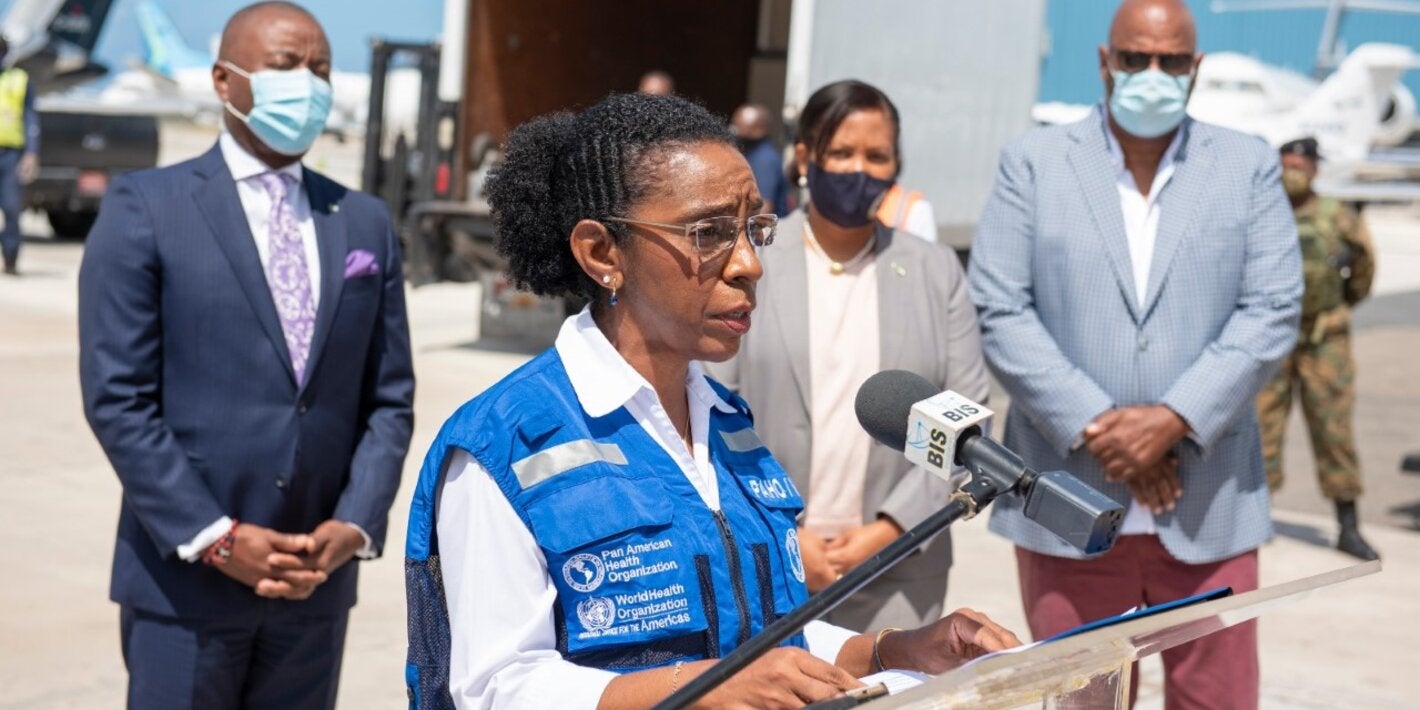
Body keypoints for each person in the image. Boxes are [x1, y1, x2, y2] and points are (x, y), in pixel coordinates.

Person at [403, 92, 1019, 709]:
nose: (749, 264)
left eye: (755, 230)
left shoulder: (730, 428)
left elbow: (772, 641)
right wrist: (706, 690)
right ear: (602, 253)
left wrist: (894, 651)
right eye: (710, 234)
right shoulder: (501, 443)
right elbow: (498, 688)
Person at [966, 1, 1302, 708]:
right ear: (1104, 62)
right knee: (1083, 699)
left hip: (1209, 503)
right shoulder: (1034, 163)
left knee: (1218, 698)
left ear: (1196, 67)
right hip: (1071, 495)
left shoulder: (1247, 167)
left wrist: (1174, 419)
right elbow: (1000, 308)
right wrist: (1103, 426)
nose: (1153, 74)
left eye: (1171, 61)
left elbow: (1272, 308)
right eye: (1135, 59)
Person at [78, 3, 414, 708]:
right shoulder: (146, 207)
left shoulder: (363, 221)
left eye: (320, 68)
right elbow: (118, 397)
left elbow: (388, 398)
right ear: (225, 82)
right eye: (287, 66)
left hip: (314, 583)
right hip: (186, 581)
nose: (311, 84)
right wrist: (215, 538)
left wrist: (353, 525)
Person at [709, 79, 989, 633]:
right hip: (766, 557)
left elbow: (968, 415)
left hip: (901, 568)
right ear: (806, 158)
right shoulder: (749, 259)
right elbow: (710, 406)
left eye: (876, 155)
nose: (858, 168)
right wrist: (786, 533)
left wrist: (888, 531)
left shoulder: (935, 270)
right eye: (841, 152)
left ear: (896, 164)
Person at [1256, 136, 1379, 561]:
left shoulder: (1336, 216)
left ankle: (1348, 524)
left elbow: (1363, 268)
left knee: (1334, 431)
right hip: (1271, 337)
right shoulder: (1262, 212)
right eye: (1287, 165)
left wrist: (1337, 309)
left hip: (1324, 340)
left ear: (1313, 169)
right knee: (1260, 430)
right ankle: (1255, 519)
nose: (1294, 174)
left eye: (1301, 166)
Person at [0, 36, 39, 275]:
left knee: (12, 208)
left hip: (11, 154)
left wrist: (31, 153)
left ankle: (11, 258)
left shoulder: (19, 80)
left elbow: (31, 119)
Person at [730, 103, 790, 215]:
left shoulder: (763, 159)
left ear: (759, 129)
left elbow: (763, 207)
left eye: (739, 127)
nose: (734, 131)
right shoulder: (750, 153)